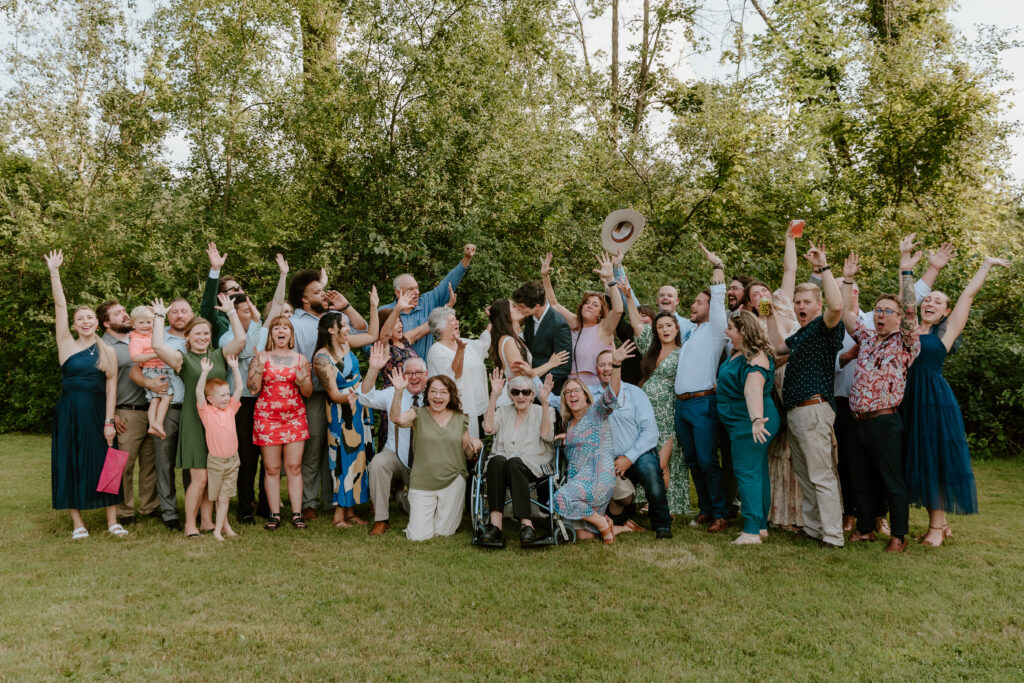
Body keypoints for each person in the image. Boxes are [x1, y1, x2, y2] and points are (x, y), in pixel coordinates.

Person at [903, 256, 1009, 546]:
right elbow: (908, 299)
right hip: (907, 398)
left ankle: (936, 528)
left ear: (945, 311)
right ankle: (942, 522)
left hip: (934, 401)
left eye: (939, 302)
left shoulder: (946, 332)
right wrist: (908, 268)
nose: (931, 303)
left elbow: (968, 295)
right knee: (916, 458)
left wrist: (985, 265)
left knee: (933, 459)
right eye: (929, 299)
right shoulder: (908, 326)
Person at [840, 237, 923, 553]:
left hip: (885, 421)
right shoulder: (868, 337)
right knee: (860, 476)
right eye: (877, 310)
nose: (880, 315)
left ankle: (899, 536)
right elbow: (848, 315)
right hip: (858, 419)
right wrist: (847, 280)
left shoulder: (905, 342)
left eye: (887, 311)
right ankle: (865, 529)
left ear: (899, 318)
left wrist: (906, 272)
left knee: (891, 480)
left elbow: (912, 308)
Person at [766, 241, 846, 548]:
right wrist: (769, 313)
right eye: (797, 302)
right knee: (805, 474)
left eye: (806, 302)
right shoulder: (800, 334)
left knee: (822, 475)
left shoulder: (827, 326)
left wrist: (824, 266)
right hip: (795, 412)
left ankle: (834, 536)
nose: (800, 306)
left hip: (814, 407)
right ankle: (814, 529)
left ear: (817, 304)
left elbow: (837, 306)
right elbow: (776, 348)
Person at [44, 250, 126, 539]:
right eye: (80, 318)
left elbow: (112, 386)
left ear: (97, 322)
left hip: (98, 411)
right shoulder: (66, 344)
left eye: (90, 317)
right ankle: (78, 522)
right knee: (70, 460)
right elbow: (60, 306)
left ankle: (112, 520)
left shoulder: (109, 351)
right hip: (69, 412)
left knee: (109, 458)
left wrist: (108, 420)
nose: (85, 321)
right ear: (76, 324)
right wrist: (55, 272)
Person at [150, 293, 246, 537]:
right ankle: (189, 524)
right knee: (200, 478)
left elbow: (241, 339)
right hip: (194, 422)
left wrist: (231, 312)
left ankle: (207, 521)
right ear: (189, 337)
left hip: (218, 425)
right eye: (197, 334)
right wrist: (159, 317)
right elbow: (158, 346)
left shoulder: (219, 355)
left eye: (206, 333)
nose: (202, 337)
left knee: (213, 476)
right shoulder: (182, 359)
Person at [289, 267, 372, 520]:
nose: (323, 295)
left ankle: (332, 498)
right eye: (317, 292)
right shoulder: (295, 323)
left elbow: (362, 327)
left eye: (323, 289)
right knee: (313, 448)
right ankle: (310, 502)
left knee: (335, 448)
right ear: (304, 299)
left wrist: (344, 306)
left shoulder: (335, 316)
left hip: (342, 394)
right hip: (313, 393)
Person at [219, 254, 289, 524]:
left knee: (267, 456)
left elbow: (278, 305)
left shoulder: (261, 329)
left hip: (265, 400)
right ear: (235, 313)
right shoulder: (229, 336)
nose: (252, 311)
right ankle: (245, 506)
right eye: (246, 309)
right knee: (247, 458)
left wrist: (282, 276)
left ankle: (266, 505)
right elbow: (246, 349)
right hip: (242, 403)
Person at [312, 291, 383, 529]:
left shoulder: (347, 343)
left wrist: (373, 306)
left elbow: (372, 335)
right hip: (342, 412)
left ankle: (351, 510)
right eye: (343, 325)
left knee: (359, 457)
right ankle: (338, 516)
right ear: (331, 330)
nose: (348, 329)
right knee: (343, 460)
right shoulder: (322, 358)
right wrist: (354, 395)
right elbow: (332, 393)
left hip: (359, 407)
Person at [673, 244, 730, 533]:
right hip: (682, 405)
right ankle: (706, 509)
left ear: (710, 307)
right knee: (694, 460)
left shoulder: (716, 329)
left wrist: (717, 266)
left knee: (708, 460)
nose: (692, 306)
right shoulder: (691, 331)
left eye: (698, 302)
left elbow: (719, 301)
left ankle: (721, 513)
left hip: (703, 403)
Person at [552, 340, 630, 544]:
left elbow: (611, 396)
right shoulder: (570, 424)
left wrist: (616, 365)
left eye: (576, 390)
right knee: (582, 535)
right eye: (568, 392)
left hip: (597, 479)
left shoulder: (596, 413)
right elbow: (580, 442)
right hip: (579, 482)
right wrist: (567, 437)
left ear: (586, 396)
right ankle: (620, 527)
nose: (572, 395)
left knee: (560, 497)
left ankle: (604, 524)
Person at [389, 372, 483, 541]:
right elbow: (396, 418)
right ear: (427, 394)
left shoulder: (460, 419)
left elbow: (467, 454)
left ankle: (431, 514)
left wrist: (474, 445)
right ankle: (406, 501)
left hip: (453, 479)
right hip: (423, 481)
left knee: (443, 533)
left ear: (450, 396)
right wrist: (398, 392)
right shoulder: (417, 414)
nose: (437, 396)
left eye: (443, 392)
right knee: (417, 536)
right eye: (433, 391)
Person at [593, 347, 674, 539]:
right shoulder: (588, 394)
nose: (606, 369)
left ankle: (662, 522)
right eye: (602, 364)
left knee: (651, 473)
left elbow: (650, 432)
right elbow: (559, 401)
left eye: (610, 364)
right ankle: (621, 518)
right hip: (607, 458)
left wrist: (629, 457)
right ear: (595, 369)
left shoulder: (635, 393)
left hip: (638, 453)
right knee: (614, 494)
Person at [623, 297, 691, 515]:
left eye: (669, 325)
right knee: (650, 459)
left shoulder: (684, 353)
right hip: (646, 414)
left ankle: (662, 507)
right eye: (660, 327)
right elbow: (635, 323)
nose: (665, 329)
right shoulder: (650, 349)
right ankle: (652, 502)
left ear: (677, 328)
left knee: (663, 462)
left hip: (669, 414)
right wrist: (627, 295)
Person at [718, 311, 779, 545]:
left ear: (743, 332)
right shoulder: (738, 353)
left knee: (747, 473)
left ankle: (752, 531)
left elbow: (752, 390)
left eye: (731, 328)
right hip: (742, 422)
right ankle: (760, 525)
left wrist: (755, 421)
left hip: (751, 423)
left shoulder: (755, 358)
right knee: (757, 471)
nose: (727, 331)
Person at [130, 297, 190, 530]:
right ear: (167, 315)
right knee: (163, 464)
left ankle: (194, 506)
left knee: (192, 464)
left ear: (191, 314)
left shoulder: (198, 335)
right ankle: (169, 513)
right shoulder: (156, 335)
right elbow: (134, 371)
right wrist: (149, 383)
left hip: (193, 410)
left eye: (184, 311)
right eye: (174, 311)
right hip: (168, 410)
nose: (179, 315)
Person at [249, 315, 314, 530]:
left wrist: (302, 378)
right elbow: (253, 389)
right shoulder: (261, 356)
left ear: (291, 334)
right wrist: (258, 367)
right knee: (271, 467)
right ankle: (274, 514)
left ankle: (297, 514)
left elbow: (308, 392)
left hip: (294, 417)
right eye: (276, 327)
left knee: (294, 466)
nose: (281, 331)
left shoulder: (300, 359)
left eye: (285, 327)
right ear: (271, 334)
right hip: (267, 418)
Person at [97, 299, 158, 526]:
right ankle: (122, 512)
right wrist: (111, 415)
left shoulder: (140, 336)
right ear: (106, 323)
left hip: (150, 409)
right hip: (125, 412)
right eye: (117, 313)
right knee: (120, 465)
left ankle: (150, 507)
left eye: (124, 310)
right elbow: (99, 385)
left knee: (149, 464)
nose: (124, 314)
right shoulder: (103, 346)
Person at [479, 372, 557, 547]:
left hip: (533, 465)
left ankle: (526, 525)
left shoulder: (545, 410)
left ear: (532, 395)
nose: (521, 396)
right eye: (515, 392)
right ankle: (495, 526)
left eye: (526, 392)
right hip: (502, 466)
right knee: (497, 460)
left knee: (514, 462)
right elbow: (488, 428)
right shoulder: (503, 411)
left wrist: (544, 402)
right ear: (510, 395)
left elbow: (547, 435)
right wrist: (493, 396)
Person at [357, 347, 430, 535]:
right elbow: (365, 398)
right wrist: (373, 369)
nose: (414, 377)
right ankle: (381, 519)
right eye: (409, 373)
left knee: (422, 513)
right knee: (378, 464)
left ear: (426, 374)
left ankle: (402, 499)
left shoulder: (435, 395)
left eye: (418, 373)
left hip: (424, 461)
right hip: (396, 454)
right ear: (403, 375)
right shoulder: (392, 392)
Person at [380, 244, 478, 359]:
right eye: (411, 289)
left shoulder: (426, 301)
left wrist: (467, 258)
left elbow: (448, 282)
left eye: (417, 288)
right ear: (398, 293)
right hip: (397, 373)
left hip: (426, 372)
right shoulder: (385, 312)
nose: (417, 292)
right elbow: (374, 346)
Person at [540, 251, 623, 387]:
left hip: (595, 386)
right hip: (572, 387)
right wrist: (545, 276)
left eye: (595, 305)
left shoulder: (604, 328)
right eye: (587, 303)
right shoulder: (574, 323)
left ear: (600, 313)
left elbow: (618, 309)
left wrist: (610, 279)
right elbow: (553, 303)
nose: (589, 306)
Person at [195, 356, 243, 541]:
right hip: (216, 462)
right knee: (218, 497)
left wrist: (235, 368)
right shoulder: (206, 412)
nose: (226, 398)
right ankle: (225, 526)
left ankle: (219, 530)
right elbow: (199, 392)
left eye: (227, 394)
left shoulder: (231, 408)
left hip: (233, 460)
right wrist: (204, 372)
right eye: (222, 395)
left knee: (225, 497)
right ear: (210, 399)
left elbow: (239, 388)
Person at [488, 297, 569, 403]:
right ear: (505, 314)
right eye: (513, 306)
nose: (518, 307)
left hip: (522, 395)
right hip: (513, 398)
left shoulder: (516, 336)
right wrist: (550, 364)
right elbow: (524, 375)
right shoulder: (508, 342)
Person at [426, 305, 491, 438]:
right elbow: (455, 375)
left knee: (479, 448)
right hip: (459, 411)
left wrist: (492, 319)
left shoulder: (466, 343)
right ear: (440, 328)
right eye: (452, 320)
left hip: (480, 408)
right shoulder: (436, 351)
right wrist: (460, 351)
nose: (457, 322)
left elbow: (484, 343)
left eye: (456, 319)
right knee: (464, 450)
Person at [512, 281, 573, 393]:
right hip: (526, 388)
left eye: (521, 306)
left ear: (537, 306)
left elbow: (564, 368)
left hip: (549, 389)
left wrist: (533, 381)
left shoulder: (559, 324)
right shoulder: (529, 318)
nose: (518, 309)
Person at [128, 305, 172, 439]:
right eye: (141, 322)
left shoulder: (151, 334)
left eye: (148, 322)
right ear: (133, 324)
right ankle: (157, 423)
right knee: (167, 395)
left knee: (155, 399)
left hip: (158, 368)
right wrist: (156, 354)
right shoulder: (136, 338)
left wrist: (158, 314)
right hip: (151, 369)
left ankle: (153, 425)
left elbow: (161, 329)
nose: (145, 325)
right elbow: (136, 357)